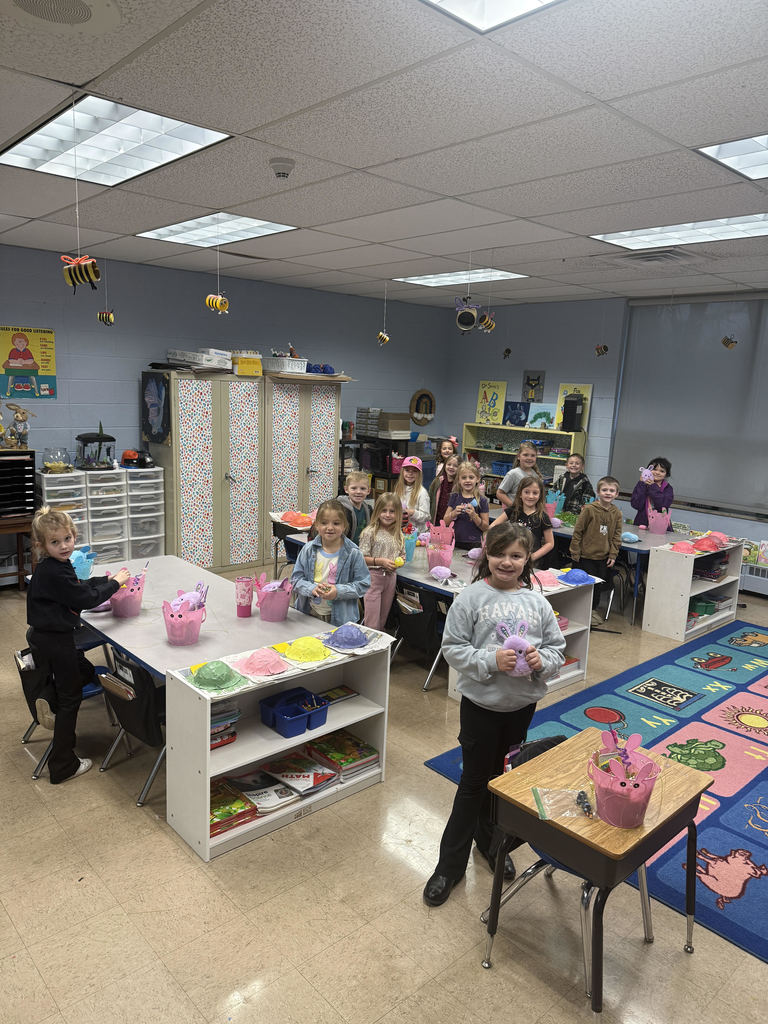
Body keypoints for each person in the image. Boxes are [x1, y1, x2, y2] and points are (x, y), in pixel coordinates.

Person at [423, 523, 565, 907]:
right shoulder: (470, 598)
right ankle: (448, 867)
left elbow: (557, 649)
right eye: (499, 554)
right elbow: (452, 648)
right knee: (473, 783)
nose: (507, 562)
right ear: (486, 554)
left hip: (521, 707)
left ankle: (490, 844)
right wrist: (489, 659)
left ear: (527, 559)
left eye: (516, 556)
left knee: (501, 783)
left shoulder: (536, 602)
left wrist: (542, 660)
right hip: (481, 708)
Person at [26, 507, 130, 784]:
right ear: (41, 545)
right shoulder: (56, 571)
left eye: (67, 539)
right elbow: (84, 599)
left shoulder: (54, 567)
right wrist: (116, 584)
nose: (63, 546)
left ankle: (49, 696)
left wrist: (104, 580)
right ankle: (63, 765)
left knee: (84, 669)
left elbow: (78, 586)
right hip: (56, 641)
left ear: (74, 536)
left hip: (45, 639)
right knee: (71, 699)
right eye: (55, 542)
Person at [291, 499, 370, 625]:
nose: (330, 528)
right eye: (324, 523)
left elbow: (363, 585)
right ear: (316, 525)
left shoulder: (353, 553)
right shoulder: (308, 549)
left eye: (336, 523)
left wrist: (338, 591)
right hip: (309, 613)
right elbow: (295, 580)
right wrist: (312, 588)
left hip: (341, 619)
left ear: (344, 526)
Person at [570, 475, 623, 627]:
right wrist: (575, 551)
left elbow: (616, 536)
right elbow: (578, 531)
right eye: (604, 490)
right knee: (584, 586)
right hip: (585, 557)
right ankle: (579, 611)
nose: (608, 493)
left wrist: (613, 554)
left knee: (597, 586)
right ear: (598, 492)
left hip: (603, 558)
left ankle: (592, 610)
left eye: (612, 490)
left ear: (616, 494)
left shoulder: (617, 513)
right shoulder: (589, 510)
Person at [358, 492, 405, 630]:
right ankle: (369, 648)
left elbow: (402, 554)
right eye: (384, 510)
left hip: (390, 579)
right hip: (373, 578)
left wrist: (400, 560)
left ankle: (379, 648)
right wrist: (381, 561)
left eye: (392, 511)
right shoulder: (370, 532)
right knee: (372, 622)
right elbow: (361, 558)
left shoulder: (398, 534)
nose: (388, 515)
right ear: (377, 511)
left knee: (382, 619)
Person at [489, 474, 554, 563]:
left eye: (535, 493)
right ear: (520, 494)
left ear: (540, 495)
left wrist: (533, 557)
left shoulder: (543, 516)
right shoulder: (513, 510)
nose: (530, 496)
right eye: (527, 492)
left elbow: (550, 543)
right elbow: (493, 526)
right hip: (512, 558)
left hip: (532, 562)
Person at [443, 460, 489, 549]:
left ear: (477, 479)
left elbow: (485, 527)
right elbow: (445, 522)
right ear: (459, 480)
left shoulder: (482, 500)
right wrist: (454, 513)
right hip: (454, 541)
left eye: (471, 477)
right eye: (464, 478)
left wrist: (474, 516)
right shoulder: (454, 497)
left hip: (474, 543)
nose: (467, 480)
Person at [496, 442, 543, 509]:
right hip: (514, 513)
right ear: (518, 456)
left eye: (533, 455)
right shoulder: (513, 474)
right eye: (525, 455)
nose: (529, 458)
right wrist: (513, 507)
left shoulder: (536, 476)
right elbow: (499, 493)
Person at [631, 457, 674, 531]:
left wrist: (653, 487)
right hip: (642, 524)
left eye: (662, 471)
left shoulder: (668, 488)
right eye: (654, 469)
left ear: (666, 474)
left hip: (660, 526)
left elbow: (662, 506)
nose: (657, 472)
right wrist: (641, 484)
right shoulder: (642, 484)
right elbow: (636, 504)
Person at [393, 455, 430, 533]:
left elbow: (426, 516)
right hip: (401, 530)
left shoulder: (422, 492)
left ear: (419, 474)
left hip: (418, 533)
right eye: (407, 470)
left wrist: (412, 512)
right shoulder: (398, 489)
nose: (410, 474)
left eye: (414, 471)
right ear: (402, 471)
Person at [337, 470, 371, 543]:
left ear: (368, 491)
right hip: (345, 548)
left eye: (363, 488)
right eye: (354, 488)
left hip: (362, 548)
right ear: (346, 489)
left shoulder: (369, 510)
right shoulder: (341, 509)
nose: (358, 492)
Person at [429, 453, 460, 526]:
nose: (451, 467)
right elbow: (430, 500)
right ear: (445, 465)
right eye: (449, 464)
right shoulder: (437, 481)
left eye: (455, 466)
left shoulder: (460, 485)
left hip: (453, 524)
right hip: (436, 521)